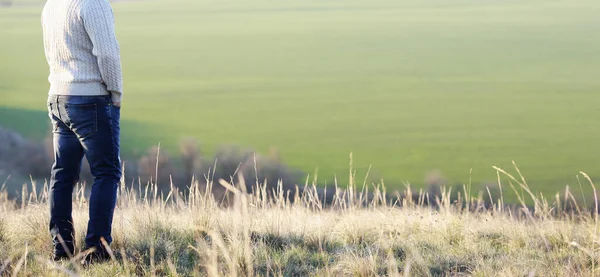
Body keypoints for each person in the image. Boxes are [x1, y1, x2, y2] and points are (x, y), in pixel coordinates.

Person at [41, 0, 123, 264]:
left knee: (63, 173)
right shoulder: (92, 3)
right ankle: (97, 250)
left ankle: (61, 248)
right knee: (107, 172)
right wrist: (116, 93)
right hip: (90, 98)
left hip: (58, 96)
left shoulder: (52, 4)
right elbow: (108, 53)